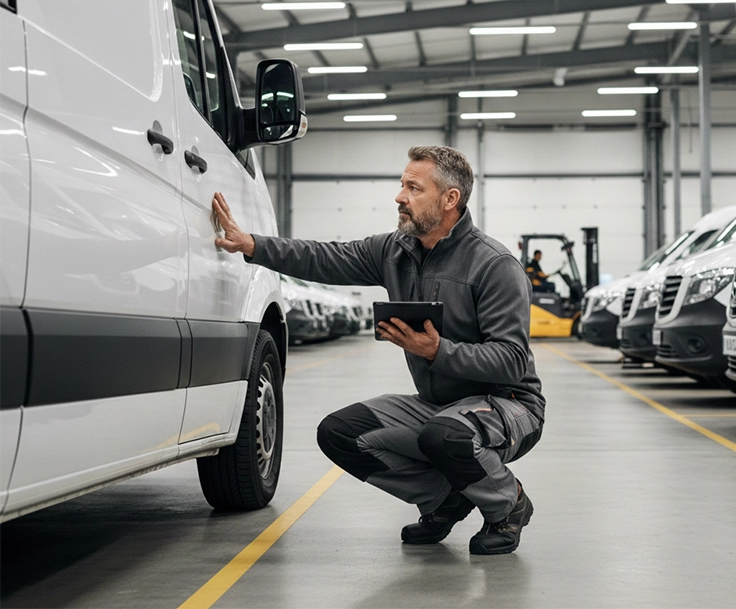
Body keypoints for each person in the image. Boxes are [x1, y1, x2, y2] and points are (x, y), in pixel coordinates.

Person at [212, 146, 545, 556]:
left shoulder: (494, 265)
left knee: (446, 434)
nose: (399, 196)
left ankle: (508, 504)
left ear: (450, 199)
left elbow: (511, 361)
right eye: (402, 185)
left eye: (413, 188)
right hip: (441, 406)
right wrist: (252, 245)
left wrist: (437, 351)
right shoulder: (395, 250)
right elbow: (325, 258)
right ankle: (444, 498)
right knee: (340, 433)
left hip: (509, 403)